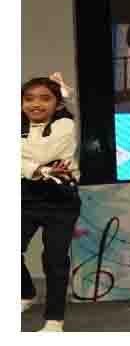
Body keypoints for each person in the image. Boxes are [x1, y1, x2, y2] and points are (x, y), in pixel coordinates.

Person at [22, 75, 79, 332]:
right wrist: (41, 169)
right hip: (24, 196)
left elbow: (45, 152)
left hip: (61, 199)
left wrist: (27, 164)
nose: (36, 104)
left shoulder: (65, 124)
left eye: (45, 98)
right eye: (29, 99)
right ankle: (26, 291)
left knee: (54, 259)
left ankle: (54, 320)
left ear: (58, 104)